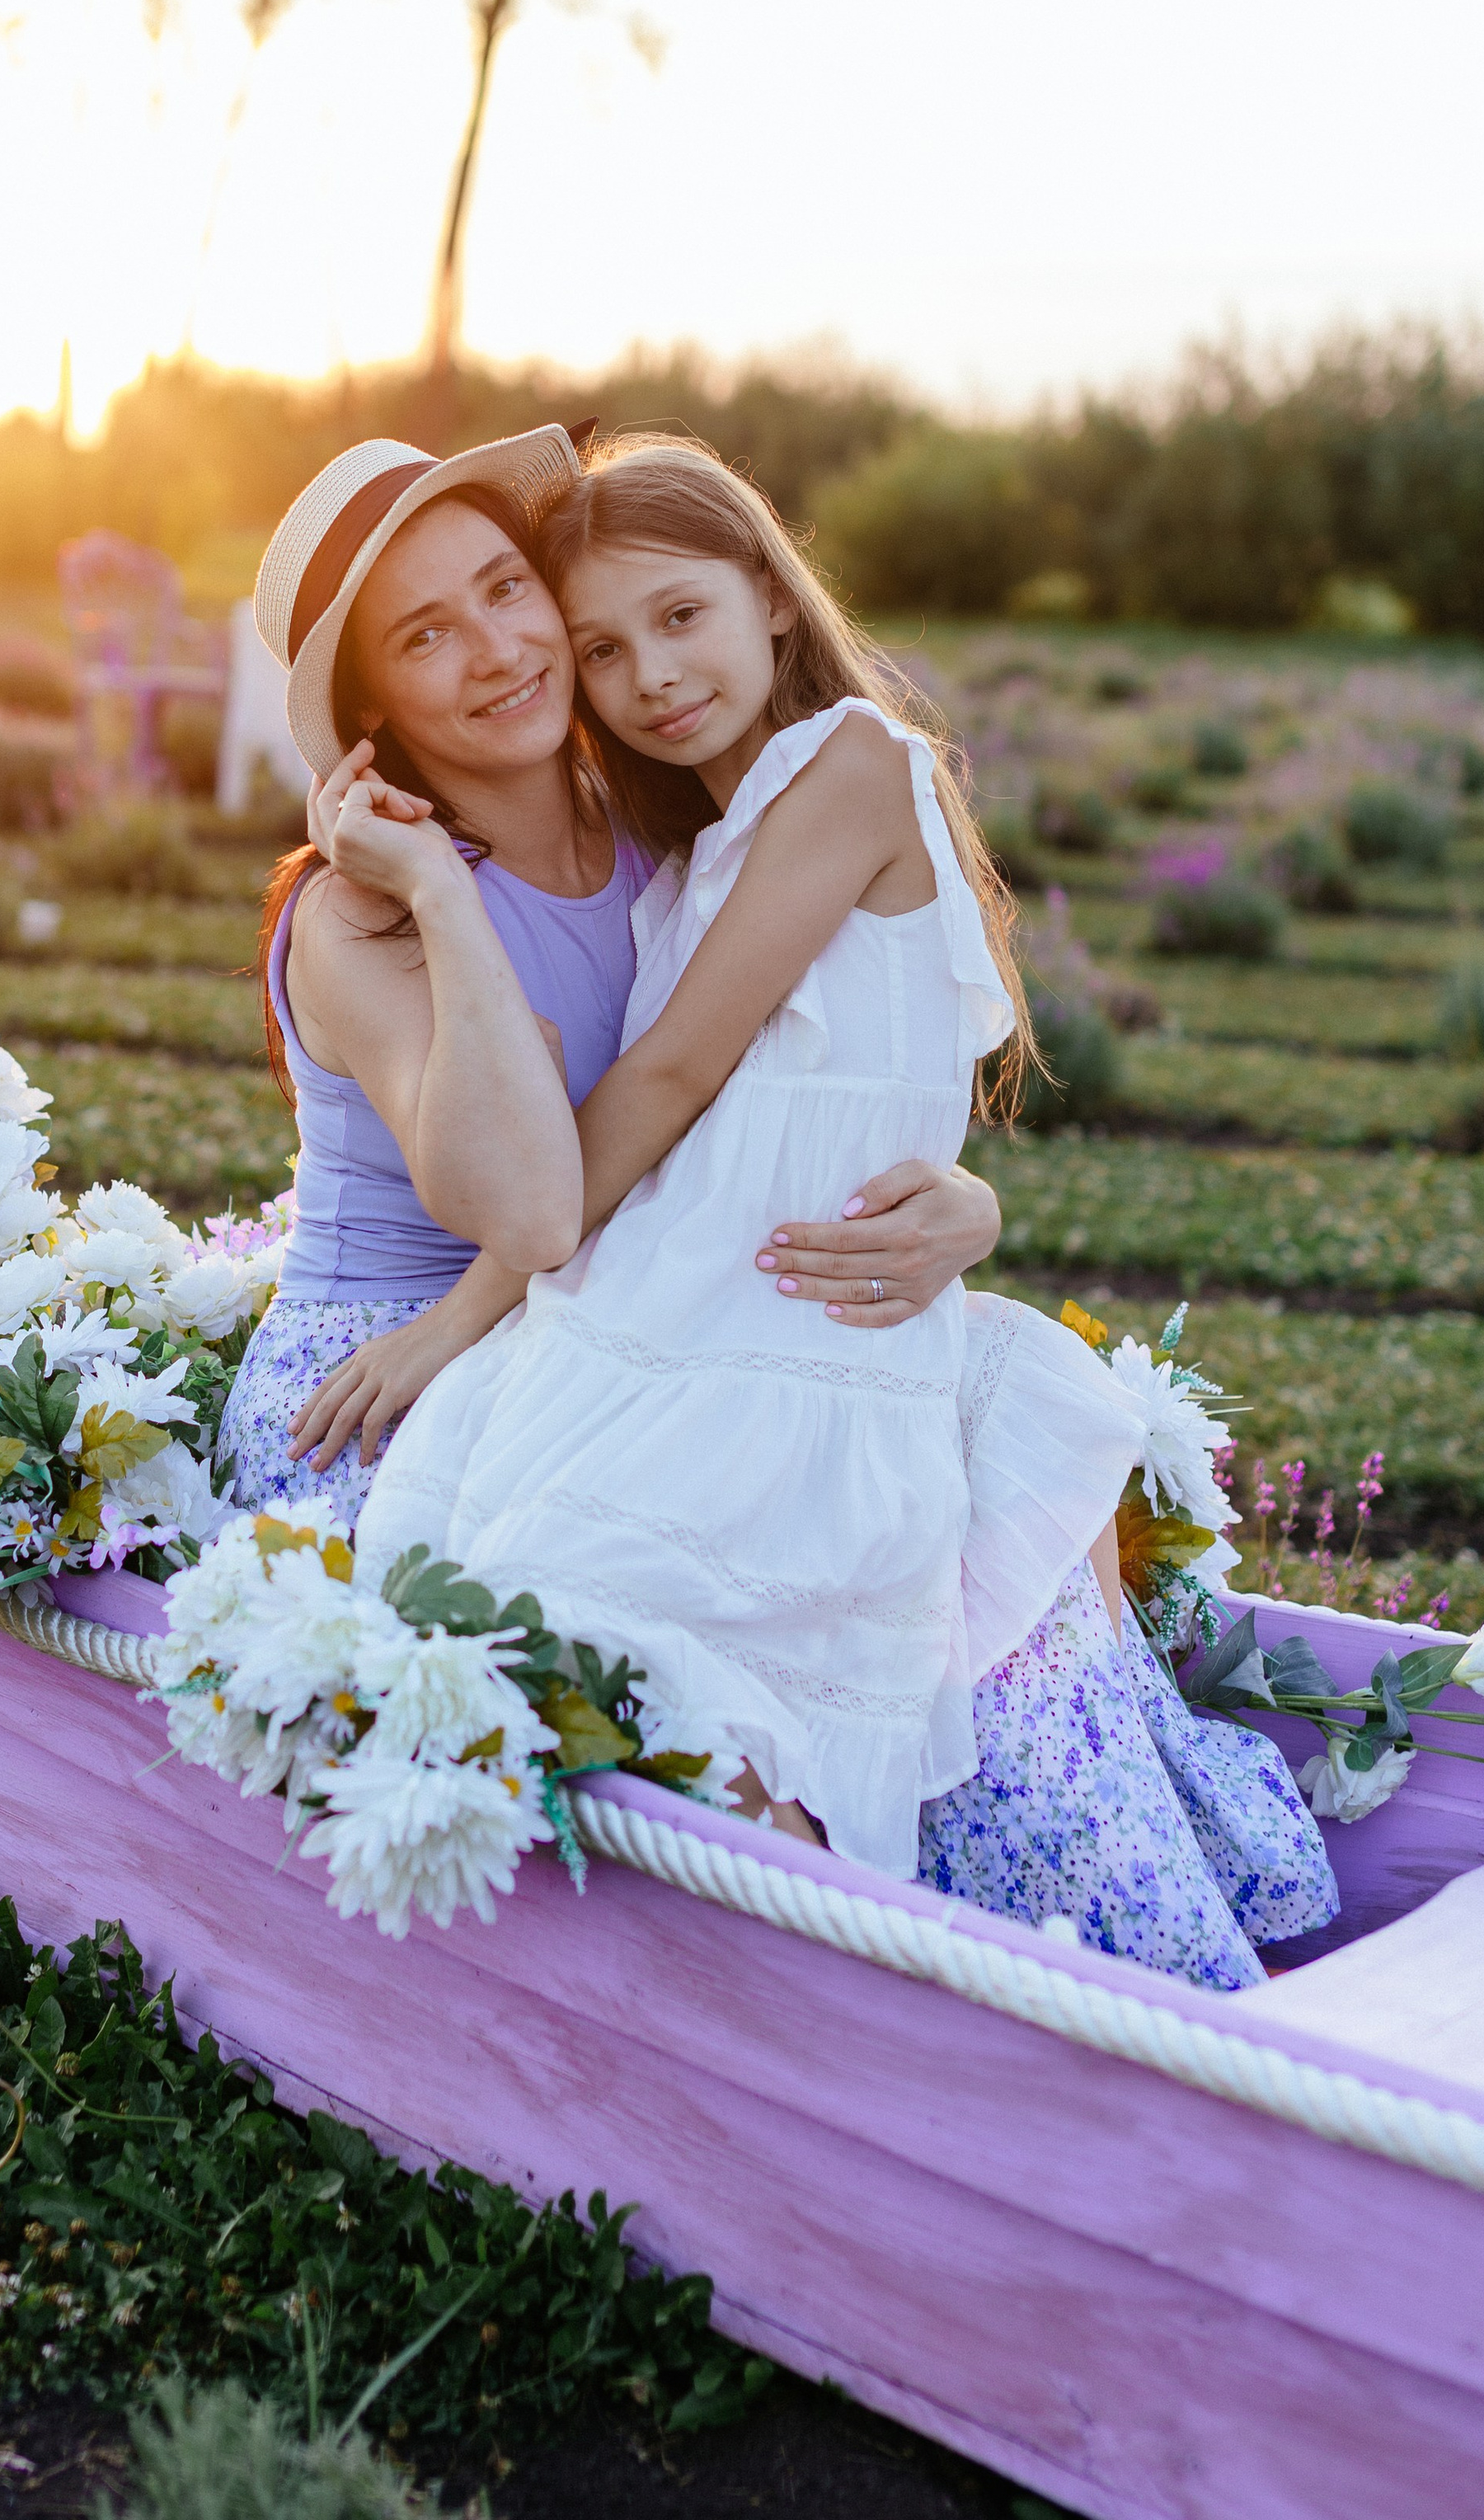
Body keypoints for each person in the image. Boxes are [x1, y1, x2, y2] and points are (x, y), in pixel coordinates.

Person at [354, 435, 1338, 1991]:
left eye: (680, 616)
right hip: (691, 1297)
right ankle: (771, 2001)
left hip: (775, 1321)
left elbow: (675, 1073)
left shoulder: (852, 763)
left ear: (767, 590)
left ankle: (831, 1997)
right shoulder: (700, 851)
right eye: (603, 649)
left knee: (642, 1620)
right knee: (555, 1604)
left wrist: (461, 1312)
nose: (649, 677)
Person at [218, 425, 1003, 1534]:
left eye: (506, 589)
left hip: (612, 1323)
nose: (497, 650)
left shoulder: (667, 839)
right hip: (389, 1377)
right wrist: (444, 894)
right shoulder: (360, 918)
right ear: (372, 707)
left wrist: (960, 1202)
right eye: (427, 635)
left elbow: (775, 1080)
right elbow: (539, 1214)